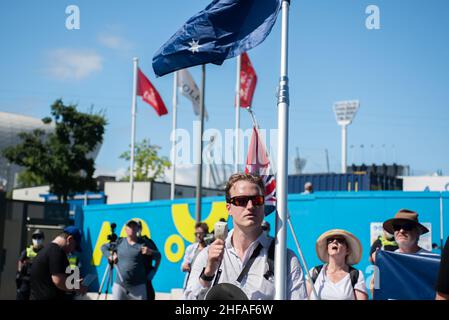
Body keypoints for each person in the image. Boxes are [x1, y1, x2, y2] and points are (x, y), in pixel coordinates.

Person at [184, 173, 307, 300]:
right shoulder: (207, 255)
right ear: (229, 208)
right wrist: (208, 273)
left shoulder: (285, 259)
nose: (250, 206)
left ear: (263, 205)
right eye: (241, 201)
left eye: (257, 200)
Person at [101, 219, 161, 300]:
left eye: (134, 226)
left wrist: (153, 270)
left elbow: (158, 255)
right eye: (129, 226)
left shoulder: (145, 243)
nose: (132, 228)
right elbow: (103, 247)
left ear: (138, 229)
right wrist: (110, 256)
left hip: (139, 287)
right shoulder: (120, 242)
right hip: (120, 286)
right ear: (125, 229)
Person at [306, 229, 368, 300]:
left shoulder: (356, 275)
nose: (334, 241)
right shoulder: (314, 272)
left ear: (347, 250)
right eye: (330, 240)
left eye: (340, 240)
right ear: (327, 248)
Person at [30, 226, 87, 300]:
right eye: (74, 246)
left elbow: (49, 280)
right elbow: (58, 281)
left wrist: (73, 282)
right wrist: (77, 287)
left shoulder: (46, 250)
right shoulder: (56, 252)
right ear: (70, 239)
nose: (72, 250)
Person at [135, 220, 161, 300]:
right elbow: (105, 247)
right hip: (129, 285)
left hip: (145, 284)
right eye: (134, 227)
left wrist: (153, 271)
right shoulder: (125, 242)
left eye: (138, 227)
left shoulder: (147, 242)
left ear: (141, 228)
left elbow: (158, 256)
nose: (136, 229)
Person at [16, 229, 45, 300]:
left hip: (39, 282)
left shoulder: (45, 251)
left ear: (43, 239)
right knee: (22, 295)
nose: (37, 240)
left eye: (39, 237)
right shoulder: (27, 251)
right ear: (32, 239)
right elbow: (20, 262)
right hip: (26, 280)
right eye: (35, 237)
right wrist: (20, 271)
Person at [181, 222, 209, 290]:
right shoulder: (191, 248)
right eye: (196, 234)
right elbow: (183, 266)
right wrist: (185, 266)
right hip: (189, 284)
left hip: (202, 285)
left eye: (201, 233)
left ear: (206, 234)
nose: (198, 236)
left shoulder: (209, 250)